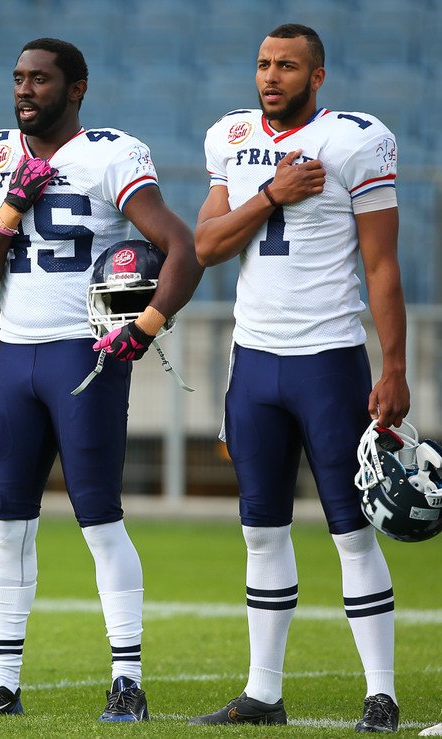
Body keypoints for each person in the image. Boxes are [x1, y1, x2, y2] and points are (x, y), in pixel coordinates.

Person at [0, 38, 201, 721]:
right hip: (14, 356)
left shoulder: (109, 154)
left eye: (41, 79)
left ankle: (127, 681)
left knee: (99, 519)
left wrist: (148, 323)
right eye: (18, 78)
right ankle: (2, 683)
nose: (25, 90)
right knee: (6, 525)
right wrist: (9, 211)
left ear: (76, 88)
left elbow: (184, 248)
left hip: (84, 357)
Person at [188, 24, 408, 733]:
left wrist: (395, 366)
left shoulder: (355, 140)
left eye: (287, 65)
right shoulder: (230, 137)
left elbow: (381, 265)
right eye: (263, 63)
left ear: (317, 77)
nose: (270, 76)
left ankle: (381, 694)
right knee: (261, 531)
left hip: (329, 360)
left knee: (353, 531)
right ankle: (262, 693)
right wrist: (273, 194)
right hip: (254, 362)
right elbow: (205, 245)